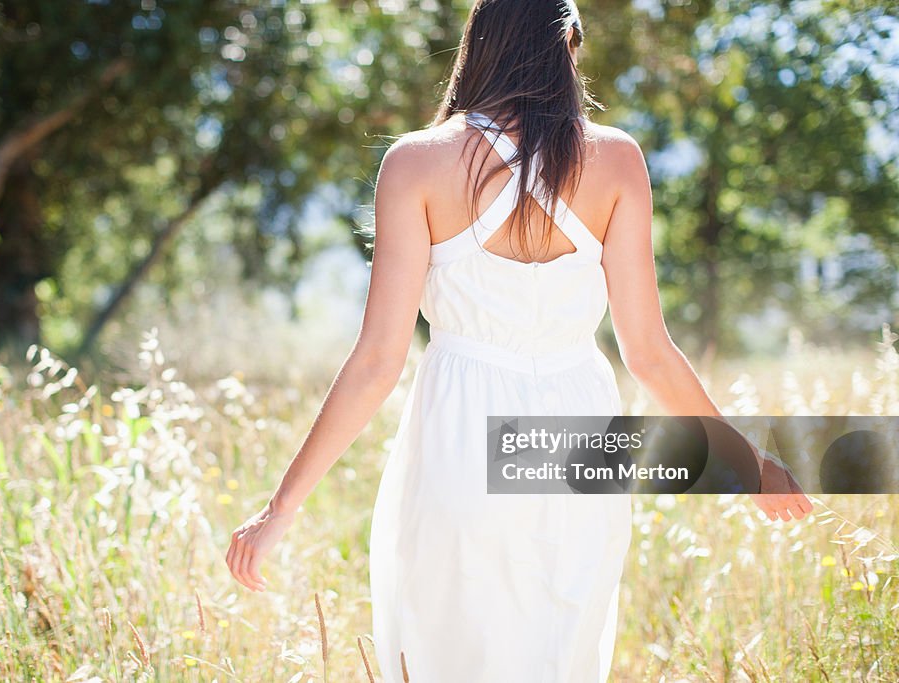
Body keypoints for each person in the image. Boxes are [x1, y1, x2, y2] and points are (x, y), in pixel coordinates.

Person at [225, 1, 813, 680]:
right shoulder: (617, 160)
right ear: (565, 39)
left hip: (458, 436)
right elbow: (648, 350)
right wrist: (749, 462)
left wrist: (279, 509)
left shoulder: (417, 162)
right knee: (559, 656)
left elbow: (378, 360)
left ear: (479, 43)